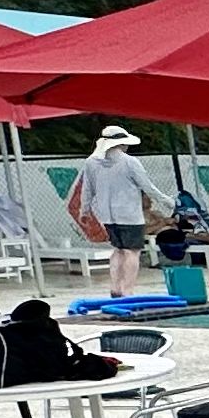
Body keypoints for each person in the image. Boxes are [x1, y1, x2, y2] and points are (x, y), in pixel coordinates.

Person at [74, 125, 155, 298]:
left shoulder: (92, 162)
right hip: (130, 214)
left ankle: (115, 287)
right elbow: (147, 185)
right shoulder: (130, 162)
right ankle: (128, 290)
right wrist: (167, 200)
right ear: (122, 144)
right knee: (132, 251)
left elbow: (87, 189)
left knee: (118, 249)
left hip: (108, 215)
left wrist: (84, 209)